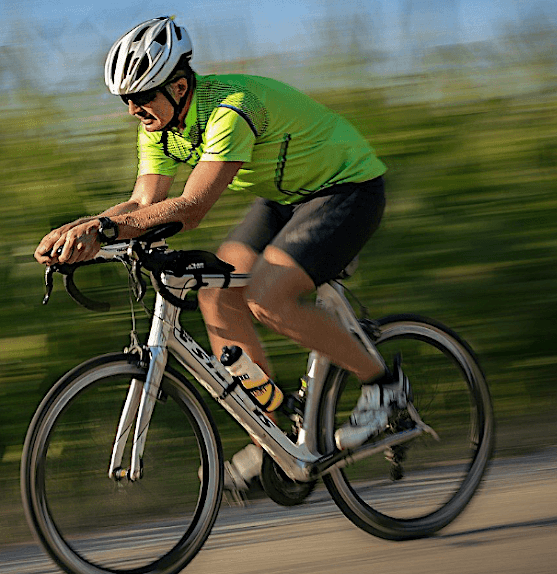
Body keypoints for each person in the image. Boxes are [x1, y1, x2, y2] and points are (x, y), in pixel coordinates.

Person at [33, 16, 408, 492]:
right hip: (285, 197)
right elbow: (144, 204)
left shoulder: (232, 108)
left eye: (143, 96)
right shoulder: (159, 125)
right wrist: (79, 230)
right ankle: (273, 432)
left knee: (267, 298)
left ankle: (384, 385)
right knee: (215, 293)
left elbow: (190, 208)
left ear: (180, 86)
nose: (133, 109)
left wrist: (104, 228)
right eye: (126, 100)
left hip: (347, 189)